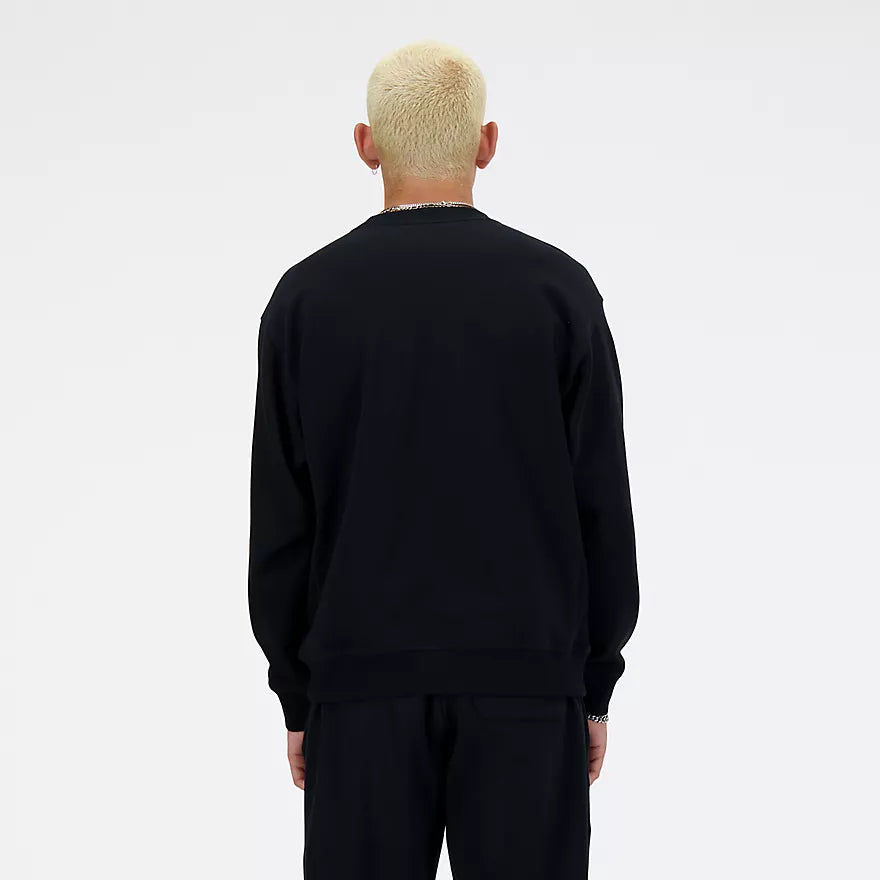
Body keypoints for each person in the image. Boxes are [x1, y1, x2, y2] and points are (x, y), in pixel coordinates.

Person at [248, 38, 640, 880]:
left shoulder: (306, 299)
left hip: (358, 691)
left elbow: (282, 519)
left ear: (366, 145)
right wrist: (593, 684)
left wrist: (298, 693)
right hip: (528, 687)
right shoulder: (559, 292)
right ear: (486, 143)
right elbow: (601, 505)